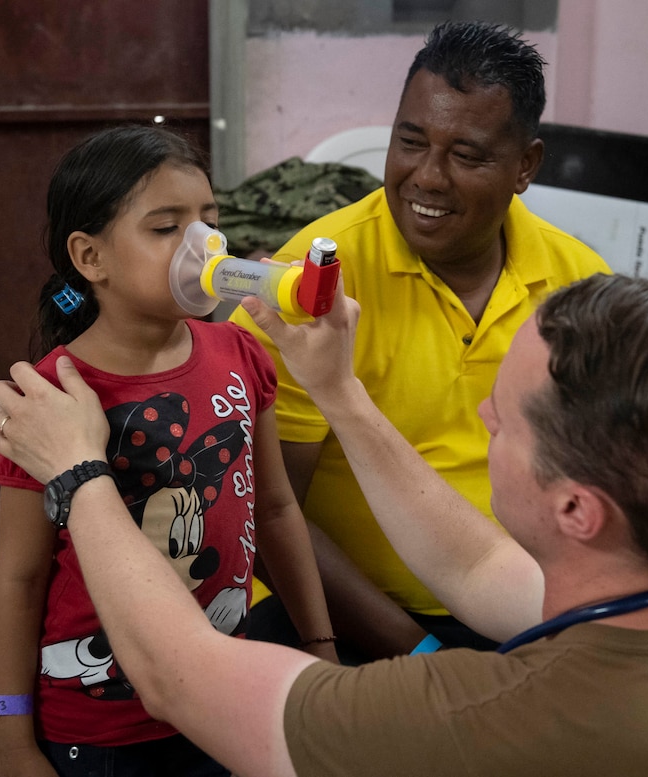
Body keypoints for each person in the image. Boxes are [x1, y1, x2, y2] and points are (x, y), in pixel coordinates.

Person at [0, 272, 648, 777]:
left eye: (503, 422)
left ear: (578, 510)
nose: (481, 415)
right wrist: (339, 391)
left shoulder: (482, 720)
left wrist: (80, 473)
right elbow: (477, 567)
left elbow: (182, 679)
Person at [230, 20, 611, 659]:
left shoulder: (579, 285)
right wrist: (421, 652)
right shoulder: (314, 281)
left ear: (526, 166)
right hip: (352, 616)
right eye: (411, 141)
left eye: (467, 155)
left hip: (527, 607)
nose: (427, 178)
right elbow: (267, 515)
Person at [0, 125, 336, 777]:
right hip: (104, 731)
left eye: (210, 218)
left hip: (223, 695)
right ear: (91, 258)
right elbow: (21, 580)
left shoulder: (242, 352)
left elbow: (279, 510)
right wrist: (11, 741)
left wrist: (320, 645)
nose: (204, 246)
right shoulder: (50, 400)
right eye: (166, 227)